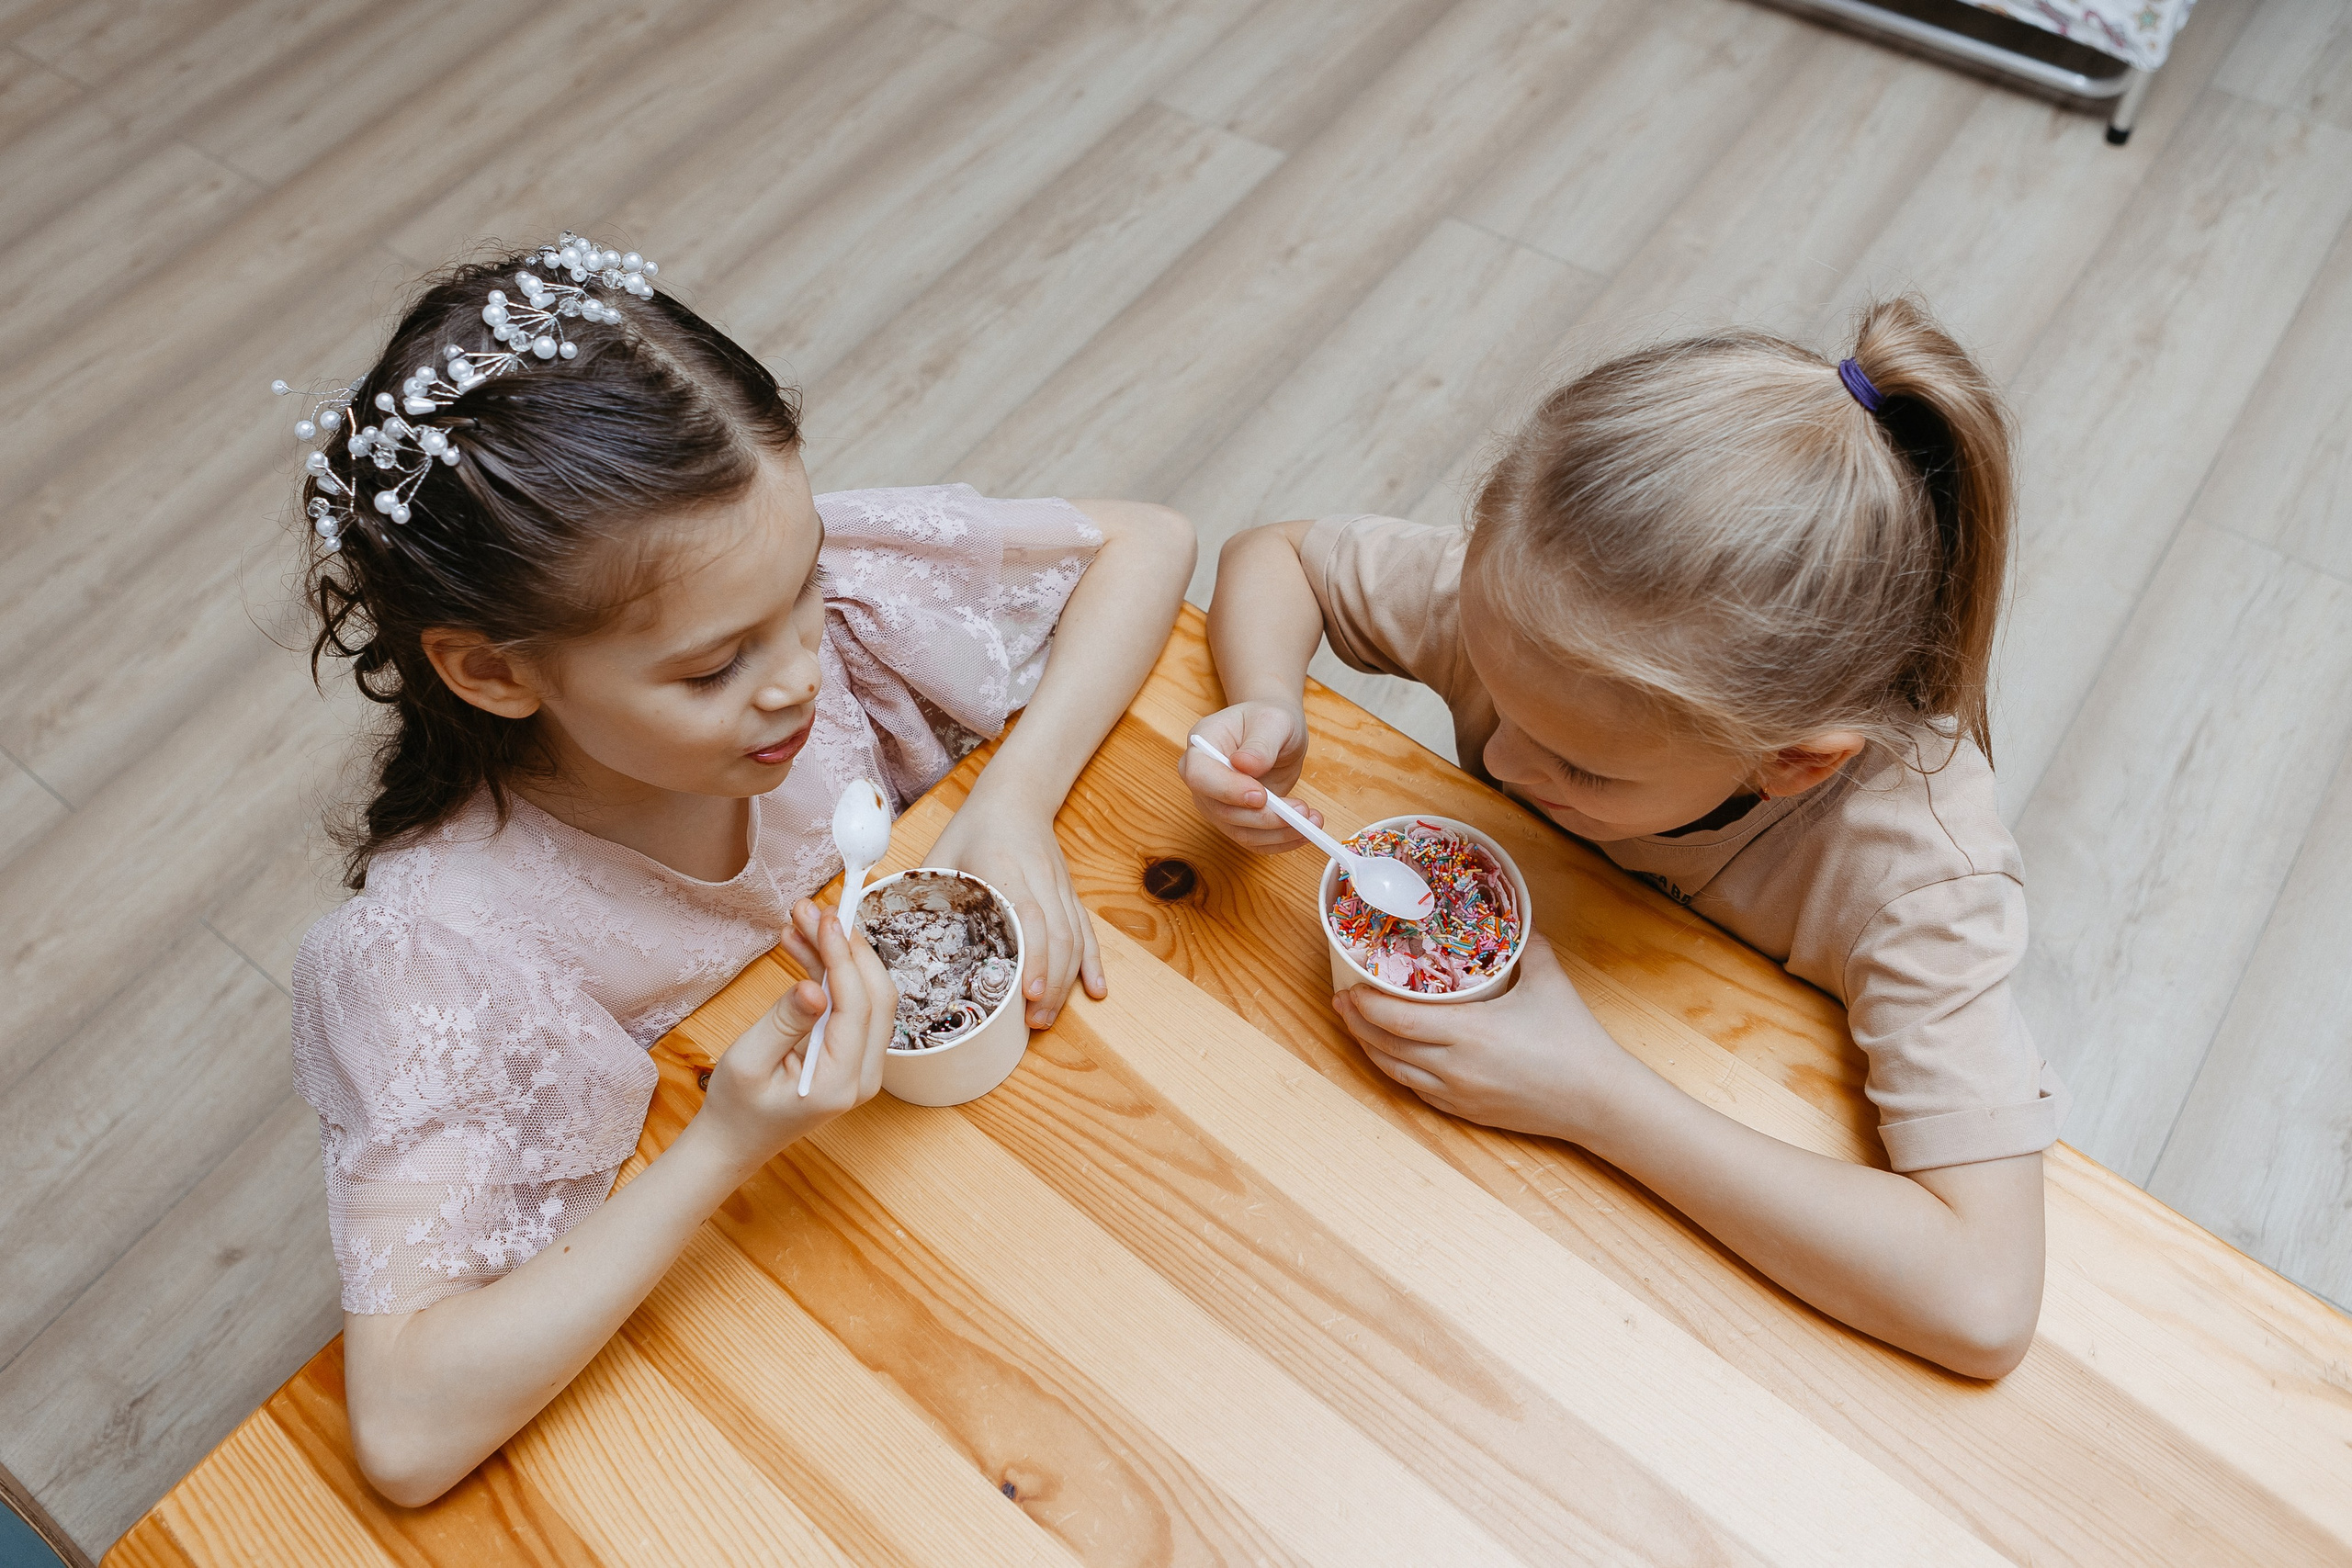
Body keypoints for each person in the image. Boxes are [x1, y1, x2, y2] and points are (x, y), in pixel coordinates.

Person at [284, 236, 1193, 1503]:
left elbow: (1147, 543)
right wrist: (723, 1145)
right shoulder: (433, 952)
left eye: (807, 585)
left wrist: (1010, 807)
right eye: (714, 668)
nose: (800, 674)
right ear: (491, 671)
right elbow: (406, 1431)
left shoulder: (754, 587)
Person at [1181, 299, 2059, 1379]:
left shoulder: (1920, 875)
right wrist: (1269, 705)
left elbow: (1981, 1300)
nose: (1501, 762)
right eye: (1497, 699)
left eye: (1581, 768)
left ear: (1793, 762)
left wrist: (1592, 1096)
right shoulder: (1535, 614)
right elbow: (1279, 555)